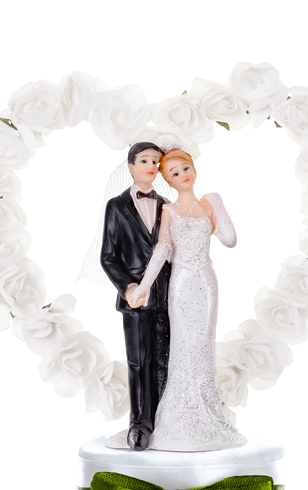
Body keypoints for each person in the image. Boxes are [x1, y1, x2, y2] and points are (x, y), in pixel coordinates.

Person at [107, 148, 246, 451]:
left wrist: (217, 204)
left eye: (185, 168)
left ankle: (205, 412)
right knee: (182, 346)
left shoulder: (208, 202)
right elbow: (162, 250)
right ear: (167, 180)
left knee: (203, 345)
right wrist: (142, 287)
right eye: (174, 173)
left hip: (206, 283)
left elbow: (230, 239)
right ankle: (173, 415)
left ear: (194, 168)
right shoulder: (168, 210)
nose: (183, 175)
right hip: (180, 284)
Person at [100, 142, 171, 451]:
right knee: (139, 361)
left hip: (167, 295)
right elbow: (108, 256)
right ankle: (139, 423)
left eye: (156, 161)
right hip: (136, 299)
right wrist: (128, 287)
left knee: (165, 359)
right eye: (144, 160)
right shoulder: (117, 206)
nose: (151, 166)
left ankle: (165, 419)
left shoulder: (168, 206)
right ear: (130, 166)